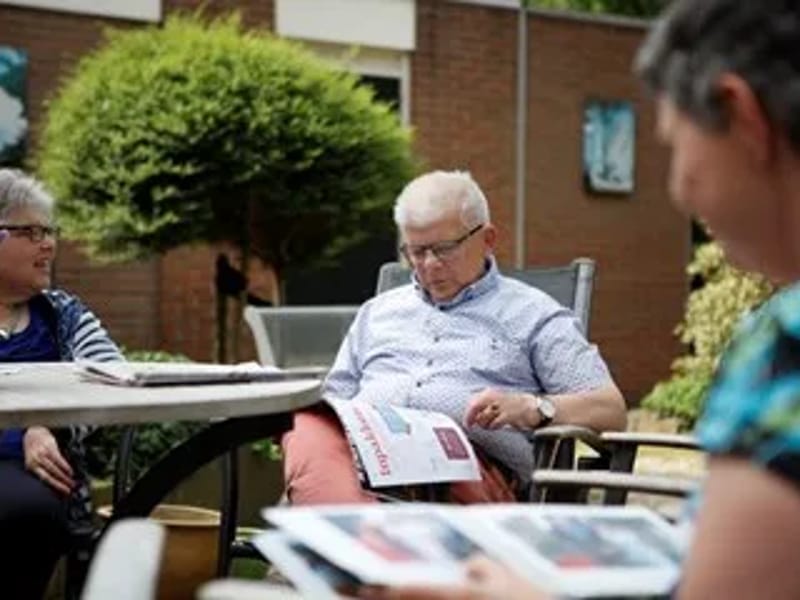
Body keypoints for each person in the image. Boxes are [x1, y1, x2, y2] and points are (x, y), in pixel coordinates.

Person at [358, 1, 800, 599]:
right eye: (416, 252)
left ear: (740, 117)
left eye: (675, 146)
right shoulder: (777, 339)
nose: (678, 189)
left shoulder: (783, 353)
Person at [283, 170, 626, 505]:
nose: (429, 265)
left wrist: (533, 407)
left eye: (444, 249)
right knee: (308, 427)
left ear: (487, 239)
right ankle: (355, 539)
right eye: (416, 252)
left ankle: (345, 544)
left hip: (465, 469)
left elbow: (610, 411)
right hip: (364, 464)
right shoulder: (377, 313)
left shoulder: (534, 314)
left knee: (390, 483)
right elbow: (335, 401)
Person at [0, 168, 123, 599]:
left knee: (27, 509)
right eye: (32, 232)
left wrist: (47, 425)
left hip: (36, 479)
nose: (49, 244)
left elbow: (112, 379)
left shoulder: (63, 316)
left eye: (50, 231)